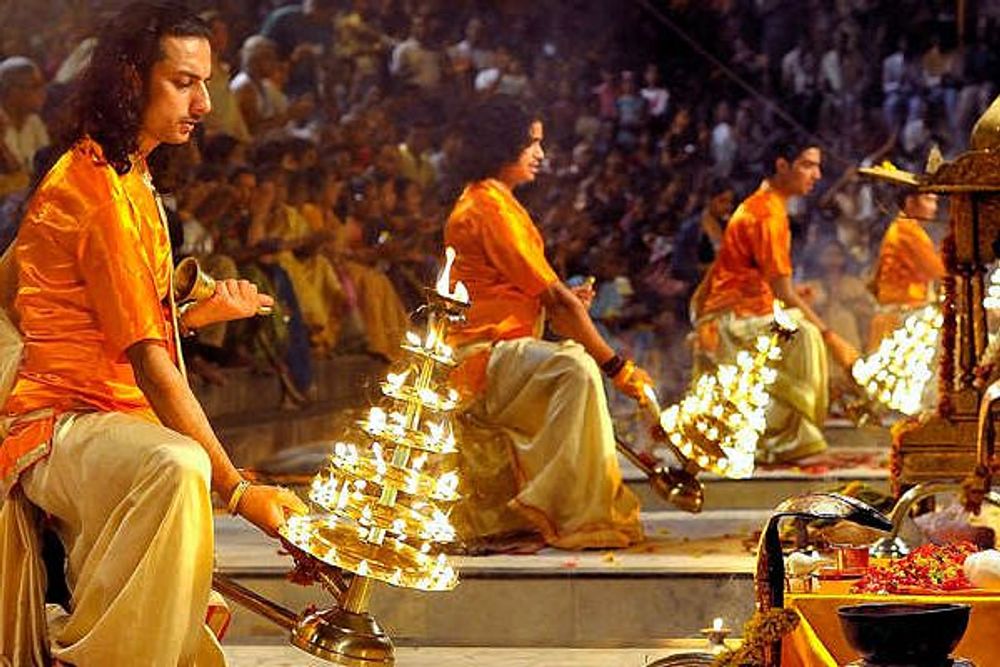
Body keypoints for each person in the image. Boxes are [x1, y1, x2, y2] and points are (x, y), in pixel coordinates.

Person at [0, 5, 306, 665]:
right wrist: (237, 489)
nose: (204, 104)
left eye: (205, 83)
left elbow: (75, 308)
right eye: (184, 83)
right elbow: (148, 362)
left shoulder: (129, 175)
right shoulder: (95, 191)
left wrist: (192, 316)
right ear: (131, 81)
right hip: (58, 423)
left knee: (176, 464)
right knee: (178, 464)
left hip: (107, 412)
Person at [445, 96, 648, 550]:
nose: (540, 153)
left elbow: (545, 298)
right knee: (575, 368)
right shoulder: (487, 207)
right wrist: (618, 368)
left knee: (571, 362)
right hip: (478, 358)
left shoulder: (497, 202)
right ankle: (570, 512)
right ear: (504, 144)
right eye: (532, 143)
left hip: (501, 352)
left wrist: (564, 304)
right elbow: (554, 299)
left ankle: (560, 506)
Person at [692, 137, 858, 463]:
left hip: (747, 309)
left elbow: (771, 284)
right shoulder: (766, 213)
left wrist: (793, 294)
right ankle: (785, 440)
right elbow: (783, 292)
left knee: (802, 323)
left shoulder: (767, 206)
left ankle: (786, 434)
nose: (817, 175)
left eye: (818, 167)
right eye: (808, 165)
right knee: (806, 335)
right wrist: (833, 340)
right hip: (732, 318)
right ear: (782, 166)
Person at [867, 190, 944, 350]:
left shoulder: (907, 227)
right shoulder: (906, 229)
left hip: (902, 311)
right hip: (903, 315)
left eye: (935, 201)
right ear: (910, 202)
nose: (934, 207)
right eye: (928, 200)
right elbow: (937, 270)